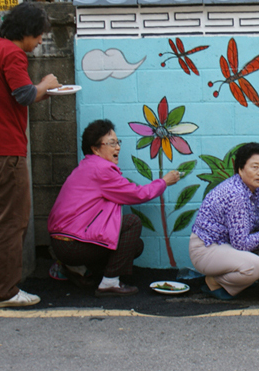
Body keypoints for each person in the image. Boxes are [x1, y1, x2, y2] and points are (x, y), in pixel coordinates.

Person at [0, 2, 61, 308]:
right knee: (13, 221)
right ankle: (4, 292)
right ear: (28, 32)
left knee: (3, 219)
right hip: (5, 150)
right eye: (39, 37)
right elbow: (23, 95)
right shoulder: (11, 53)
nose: (39, 43)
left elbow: (14, 95)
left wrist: (43, 90)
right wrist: (46, 84)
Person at [47, 120, 180, 297]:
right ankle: (109, 283)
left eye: (117, 142)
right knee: (132, 223)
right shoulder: (102, 170)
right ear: (95, 149)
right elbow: (137, 194)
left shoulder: (88, 166)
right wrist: (164, 182)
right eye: (111, 143)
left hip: (63, 243)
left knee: (135, 246)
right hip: (73, 244)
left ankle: (77, 269)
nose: (117, 147)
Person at [189, 143, 259, 300]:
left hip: (223, 245)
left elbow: (254, 221)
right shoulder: (237, 195)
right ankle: (214, 282)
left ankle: (236, 280)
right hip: (207, 248)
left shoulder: (251, 189)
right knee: (257, 266)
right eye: (254, 167)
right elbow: (241, 244)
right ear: (240, 169)